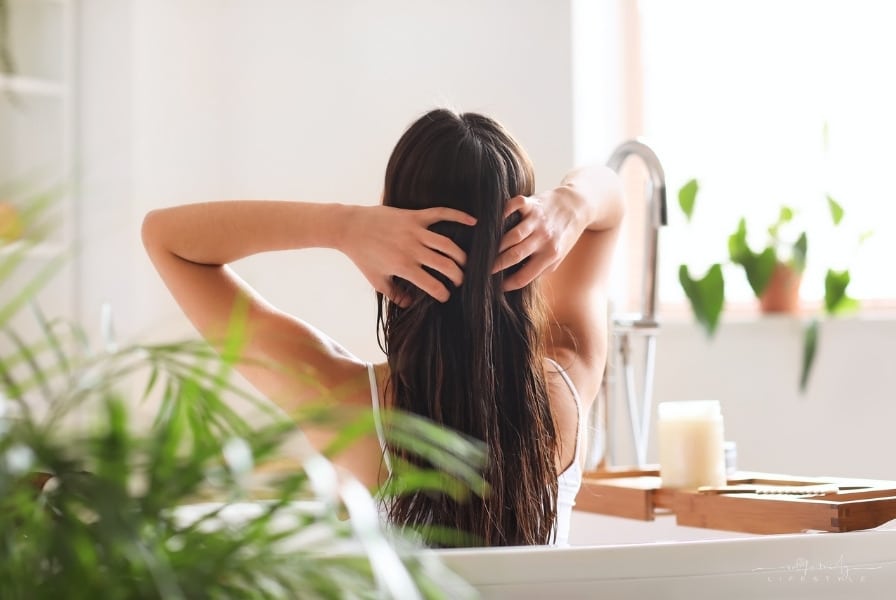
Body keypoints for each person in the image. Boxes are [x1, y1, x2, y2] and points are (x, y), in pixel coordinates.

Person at [142, 108, 624, 547]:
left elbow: (166, 238)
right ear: (532, 237)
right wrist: (570, 204)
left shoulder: (347, 406)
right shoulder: (565, 392)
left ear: (389, 229)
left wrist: (344, 226)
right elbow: (612, 203)